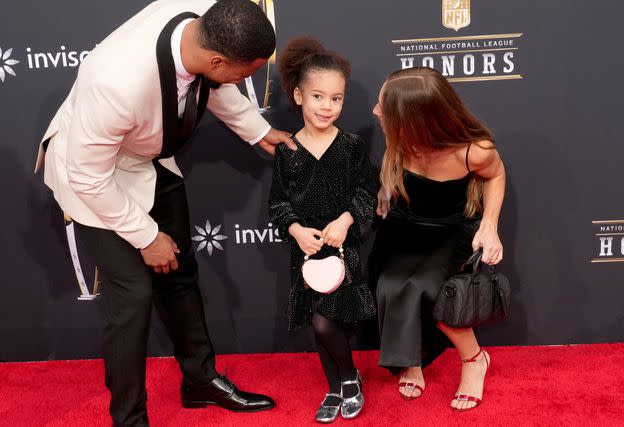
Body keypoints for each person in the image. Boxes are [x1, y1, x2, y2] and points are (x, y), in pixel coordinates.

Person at [33, 1, 296, 425]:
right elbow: (88, 177)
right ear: (216, 59)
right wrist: (146, 236)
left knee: (180, 273)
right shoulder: (117, 83)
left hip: (149, 155)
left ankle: (199, 381)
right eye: (246, 74)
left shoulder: (205, 18)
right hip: (96, 177)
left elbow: (214, 83)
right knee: (133, 295)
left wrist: (257, 129)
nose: (246, 83)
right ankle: (130, 418)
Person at [371, 67, 506, 411]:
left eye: (383, 106)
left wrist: (489, 224)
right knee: (390, 285)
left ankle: (475, 360)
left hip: (451, 229)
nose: (375, 111)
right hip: (406, 224)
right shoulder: (400, 137)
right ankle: (411, 359)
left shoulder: (474, 150)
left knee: (432, 290)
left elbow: (496, 174)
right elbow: (393, 161)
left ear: (416, 118)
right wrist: (388, 187)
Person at [268, 37, 377, 423]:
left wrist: (346, 220)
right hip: (305, 251)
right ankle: (339, 384)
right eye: (317, 97)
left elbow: (367, 193)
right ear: (298, 96)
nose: (326, 107)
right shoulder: (288, 150)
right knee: (319, 322)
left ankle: (346, 380)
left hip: (342, 249)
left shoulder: (351, 147)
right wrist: (296, 230)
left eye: (336, 99)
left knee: (328, 320)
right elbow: (277, 203)